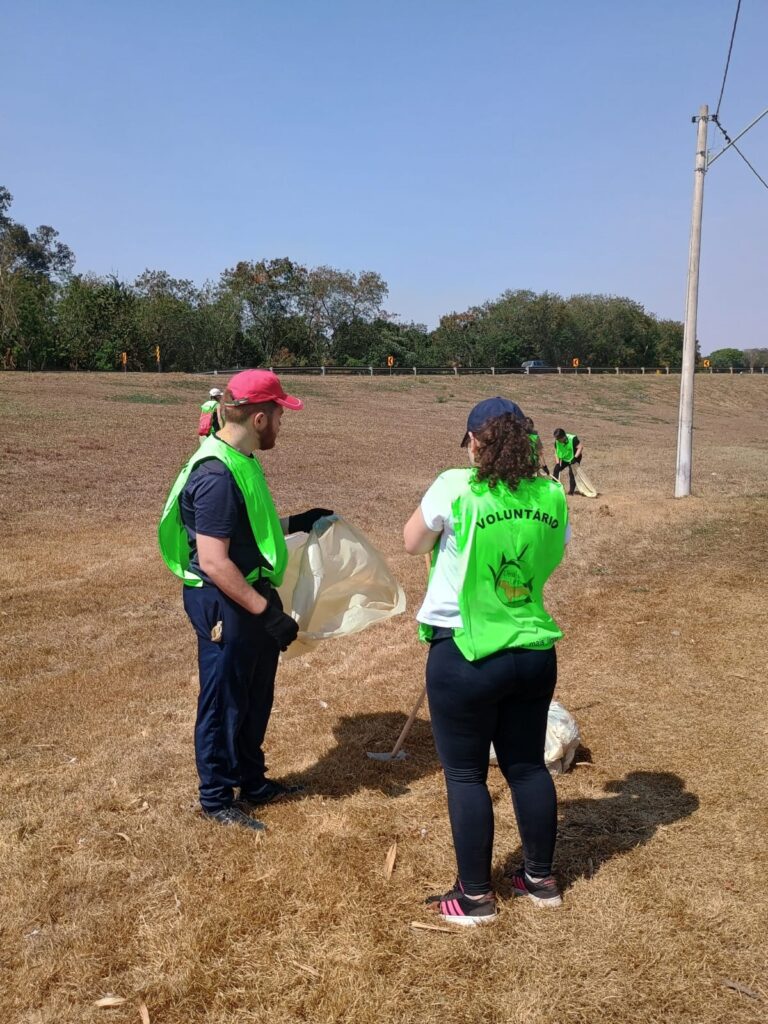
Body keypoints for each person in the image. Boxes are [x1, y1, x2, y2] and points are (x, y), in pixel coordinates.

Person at [403, 397, 568, 925]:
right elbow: (555, 551)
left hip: (467, 654)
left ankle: (474, 896)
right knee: (527, 766)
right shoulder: (551, 492)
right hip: (533, 650)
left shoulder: (455, 486)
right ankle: (540, 878)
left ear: (475, 442)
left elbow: (412, 542)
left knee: (466, 774)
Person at [159, 369, 333, 831]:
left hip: (250, 593)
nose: (281, 423)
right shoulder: (216, 475)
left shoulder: (242, 460)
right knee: (224, 699)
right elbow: (214, 561)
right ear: (259, 418)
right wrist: (266, 614)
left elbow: (245, 527)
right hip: (225, 601)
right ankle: (217, 798)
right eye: (279, 415)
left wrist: (296, 521)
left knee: (254, 694)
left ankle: (252, 781)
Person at [552, 427, 584, 495]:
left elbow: (580, 447)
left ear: (563, 437)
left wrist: (575, 458)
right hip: (564, 458)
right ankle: (554, 488)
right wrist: (557, 463)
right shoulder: (557, 441)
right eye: (556, 439)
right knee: (556, 470)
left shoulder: (573, 439)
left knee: (572, 473)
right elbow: (556, 452)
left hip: (574, 458)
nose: (557, 440)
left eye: (559, 439)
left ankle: (571, 491)